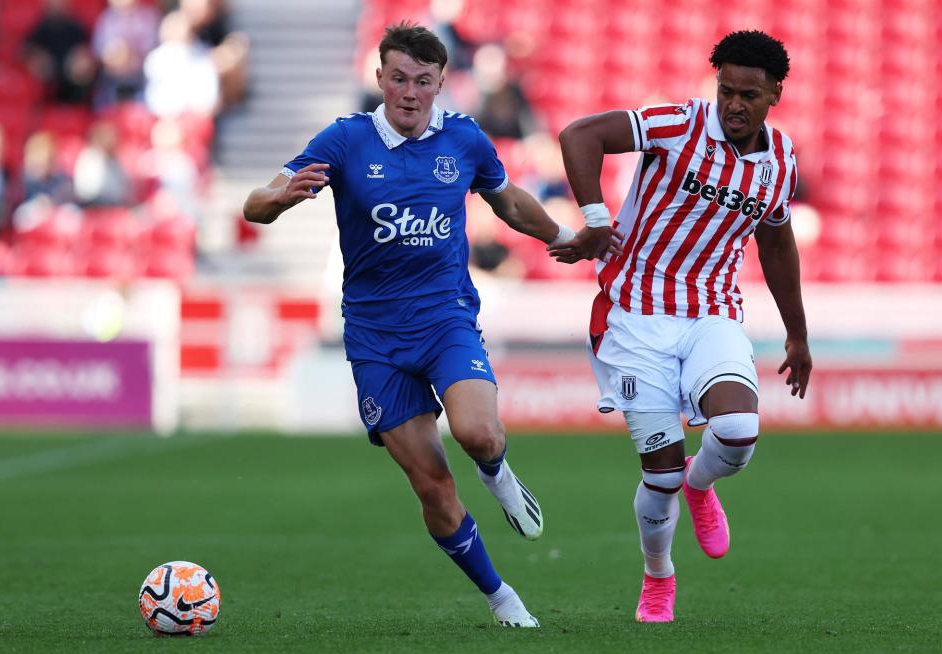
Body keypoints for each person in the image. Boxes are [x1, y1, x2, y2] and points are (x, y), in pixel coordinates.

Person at [243, 22, 575, 629]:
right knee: (432, 487)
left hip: (445, 317)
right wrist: (282, 197)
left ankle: (497, 472)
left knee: (479, 434)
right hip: (374, 338)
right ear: (380, 80)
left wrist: (566, 238)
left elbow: (509, 202)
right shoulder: (344, 141)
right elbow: (255, 203)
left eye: (423, 81)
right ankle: (503, 598)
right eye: (399, 78)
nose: (410, 92)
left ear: (441, 83)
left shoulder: (465, 141)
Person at [549, 30, 812, 623]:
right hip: (634, 316)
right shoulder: (676, 122)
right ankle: (659, 577)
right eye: (726, 90)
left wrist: (797, 334)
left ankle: (703, 483)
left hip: (712, 312)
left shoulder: (781, 160)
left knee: (740, 430)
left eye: (749, 94)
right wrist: (594, 218)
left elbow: (776, 244)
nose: (734, 104)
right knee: (658, 473)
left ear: (775, 93)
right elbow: (580, 134)